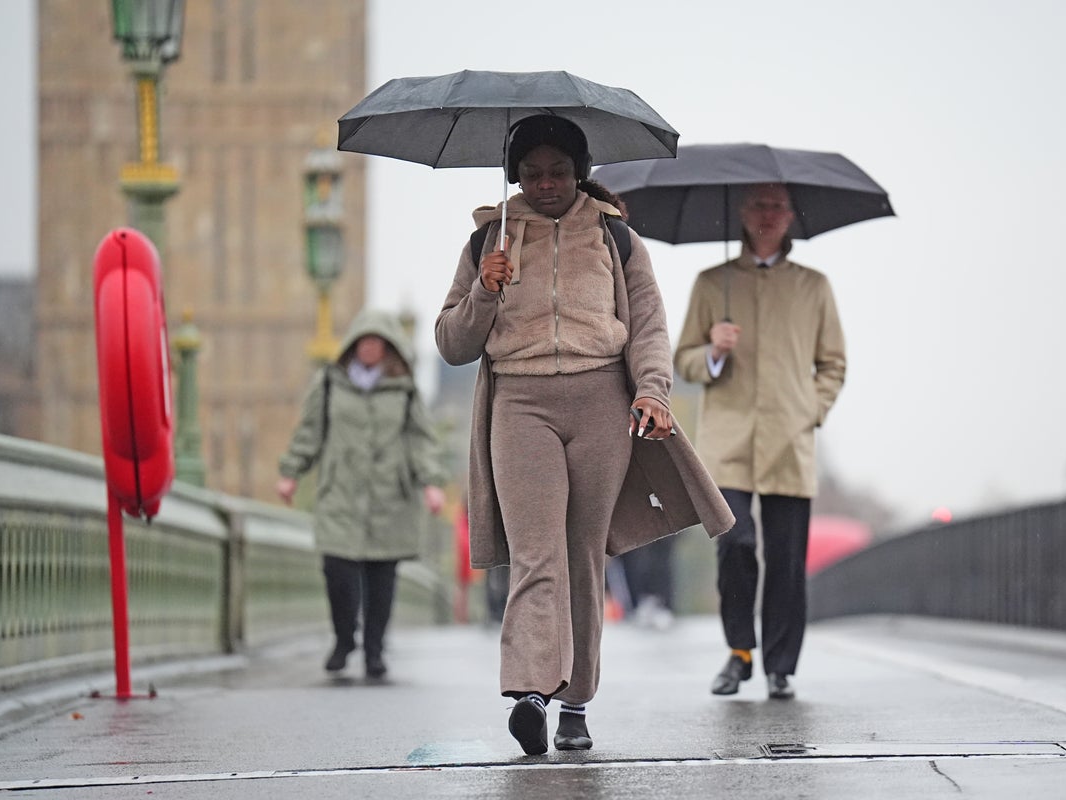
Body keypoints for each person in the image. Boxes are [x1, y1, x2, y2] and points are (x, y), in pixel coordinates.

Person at [435, 115, 733, 755]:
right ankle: (530, 691)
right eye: (533, 172)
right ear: (516, 175)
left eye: (559, 172)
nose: (546, 184)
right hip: (520, 402)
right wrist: (485, 293)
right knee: (534, 553)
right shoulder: (488, 240)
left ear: (580, 174)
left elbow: (649, 323)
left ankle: (576, 701)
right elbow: (452, 343)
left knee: (582, 556)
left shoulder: (615, 237)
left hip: (602, 402)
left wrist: (653, 390)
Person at [674, 183, 846, 701]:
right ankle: (739, 652)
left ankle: (780, 666)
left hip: (790, 443)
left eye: (777, 206)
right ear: (742, 213)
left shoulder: (814, 286)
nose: (768, 215)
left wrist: (808, 411)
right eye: (758, 205)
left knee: (788, 560)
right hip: (727, 443)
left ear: (790, 215)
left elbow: (833, 365)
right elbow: (682, 359)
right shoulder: (712, 284)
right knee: (737, 543)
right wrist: (713, 351)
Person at [277, 309, 447, 680]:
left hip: (390, 496)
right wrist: (291, 473)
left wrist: (431, 483)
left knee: (381, 577)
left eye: (377, 342)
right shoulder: (328, 384)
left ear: (388, 348)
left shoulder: (404, 389)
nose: (369, 348)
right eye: (363, 341)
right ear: (353, 346)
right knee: (337, 569)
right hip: (341, 492)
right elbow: (310, 432)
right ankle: (343, 639)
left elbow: (421, 439)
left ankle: (374, 650)